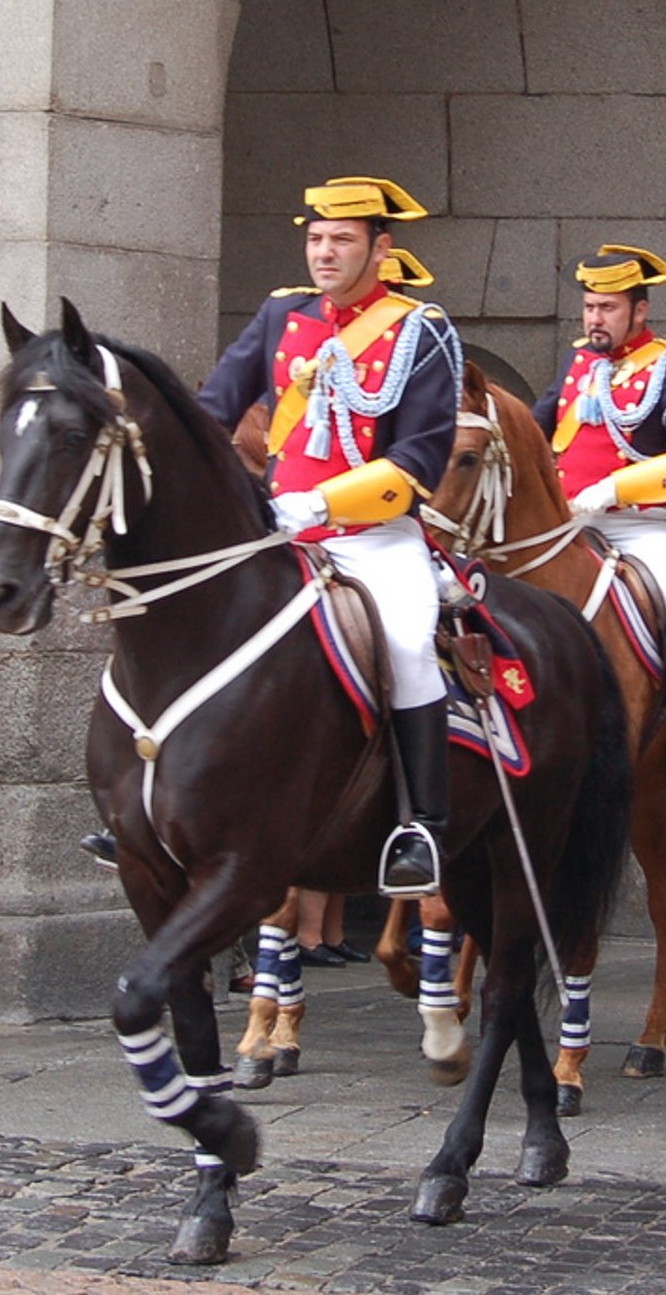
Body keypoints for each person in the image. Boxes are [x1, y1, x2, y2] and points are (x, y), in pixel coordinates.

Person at [197, 175, 462, 897]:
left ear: (382, 247)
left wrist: (319, 502)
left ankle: (420, 826)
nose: (324, 252)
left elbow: (418, 463)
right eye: (315, 238)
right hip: (277, 531)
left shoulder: (420, 328)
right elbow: (214, 408)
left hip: (373, 535)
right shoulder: (283, 314)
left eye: (342, 239)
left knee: (409, 645)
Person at [530, 245, 666, 802]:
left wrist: (615, 489)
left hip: (641, 526)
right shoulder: (576, 365)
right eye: (590, 307)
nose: (595, 320)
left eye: (608, 308)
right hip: (566, 525)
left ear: (639, 311)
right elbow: (539, 431)